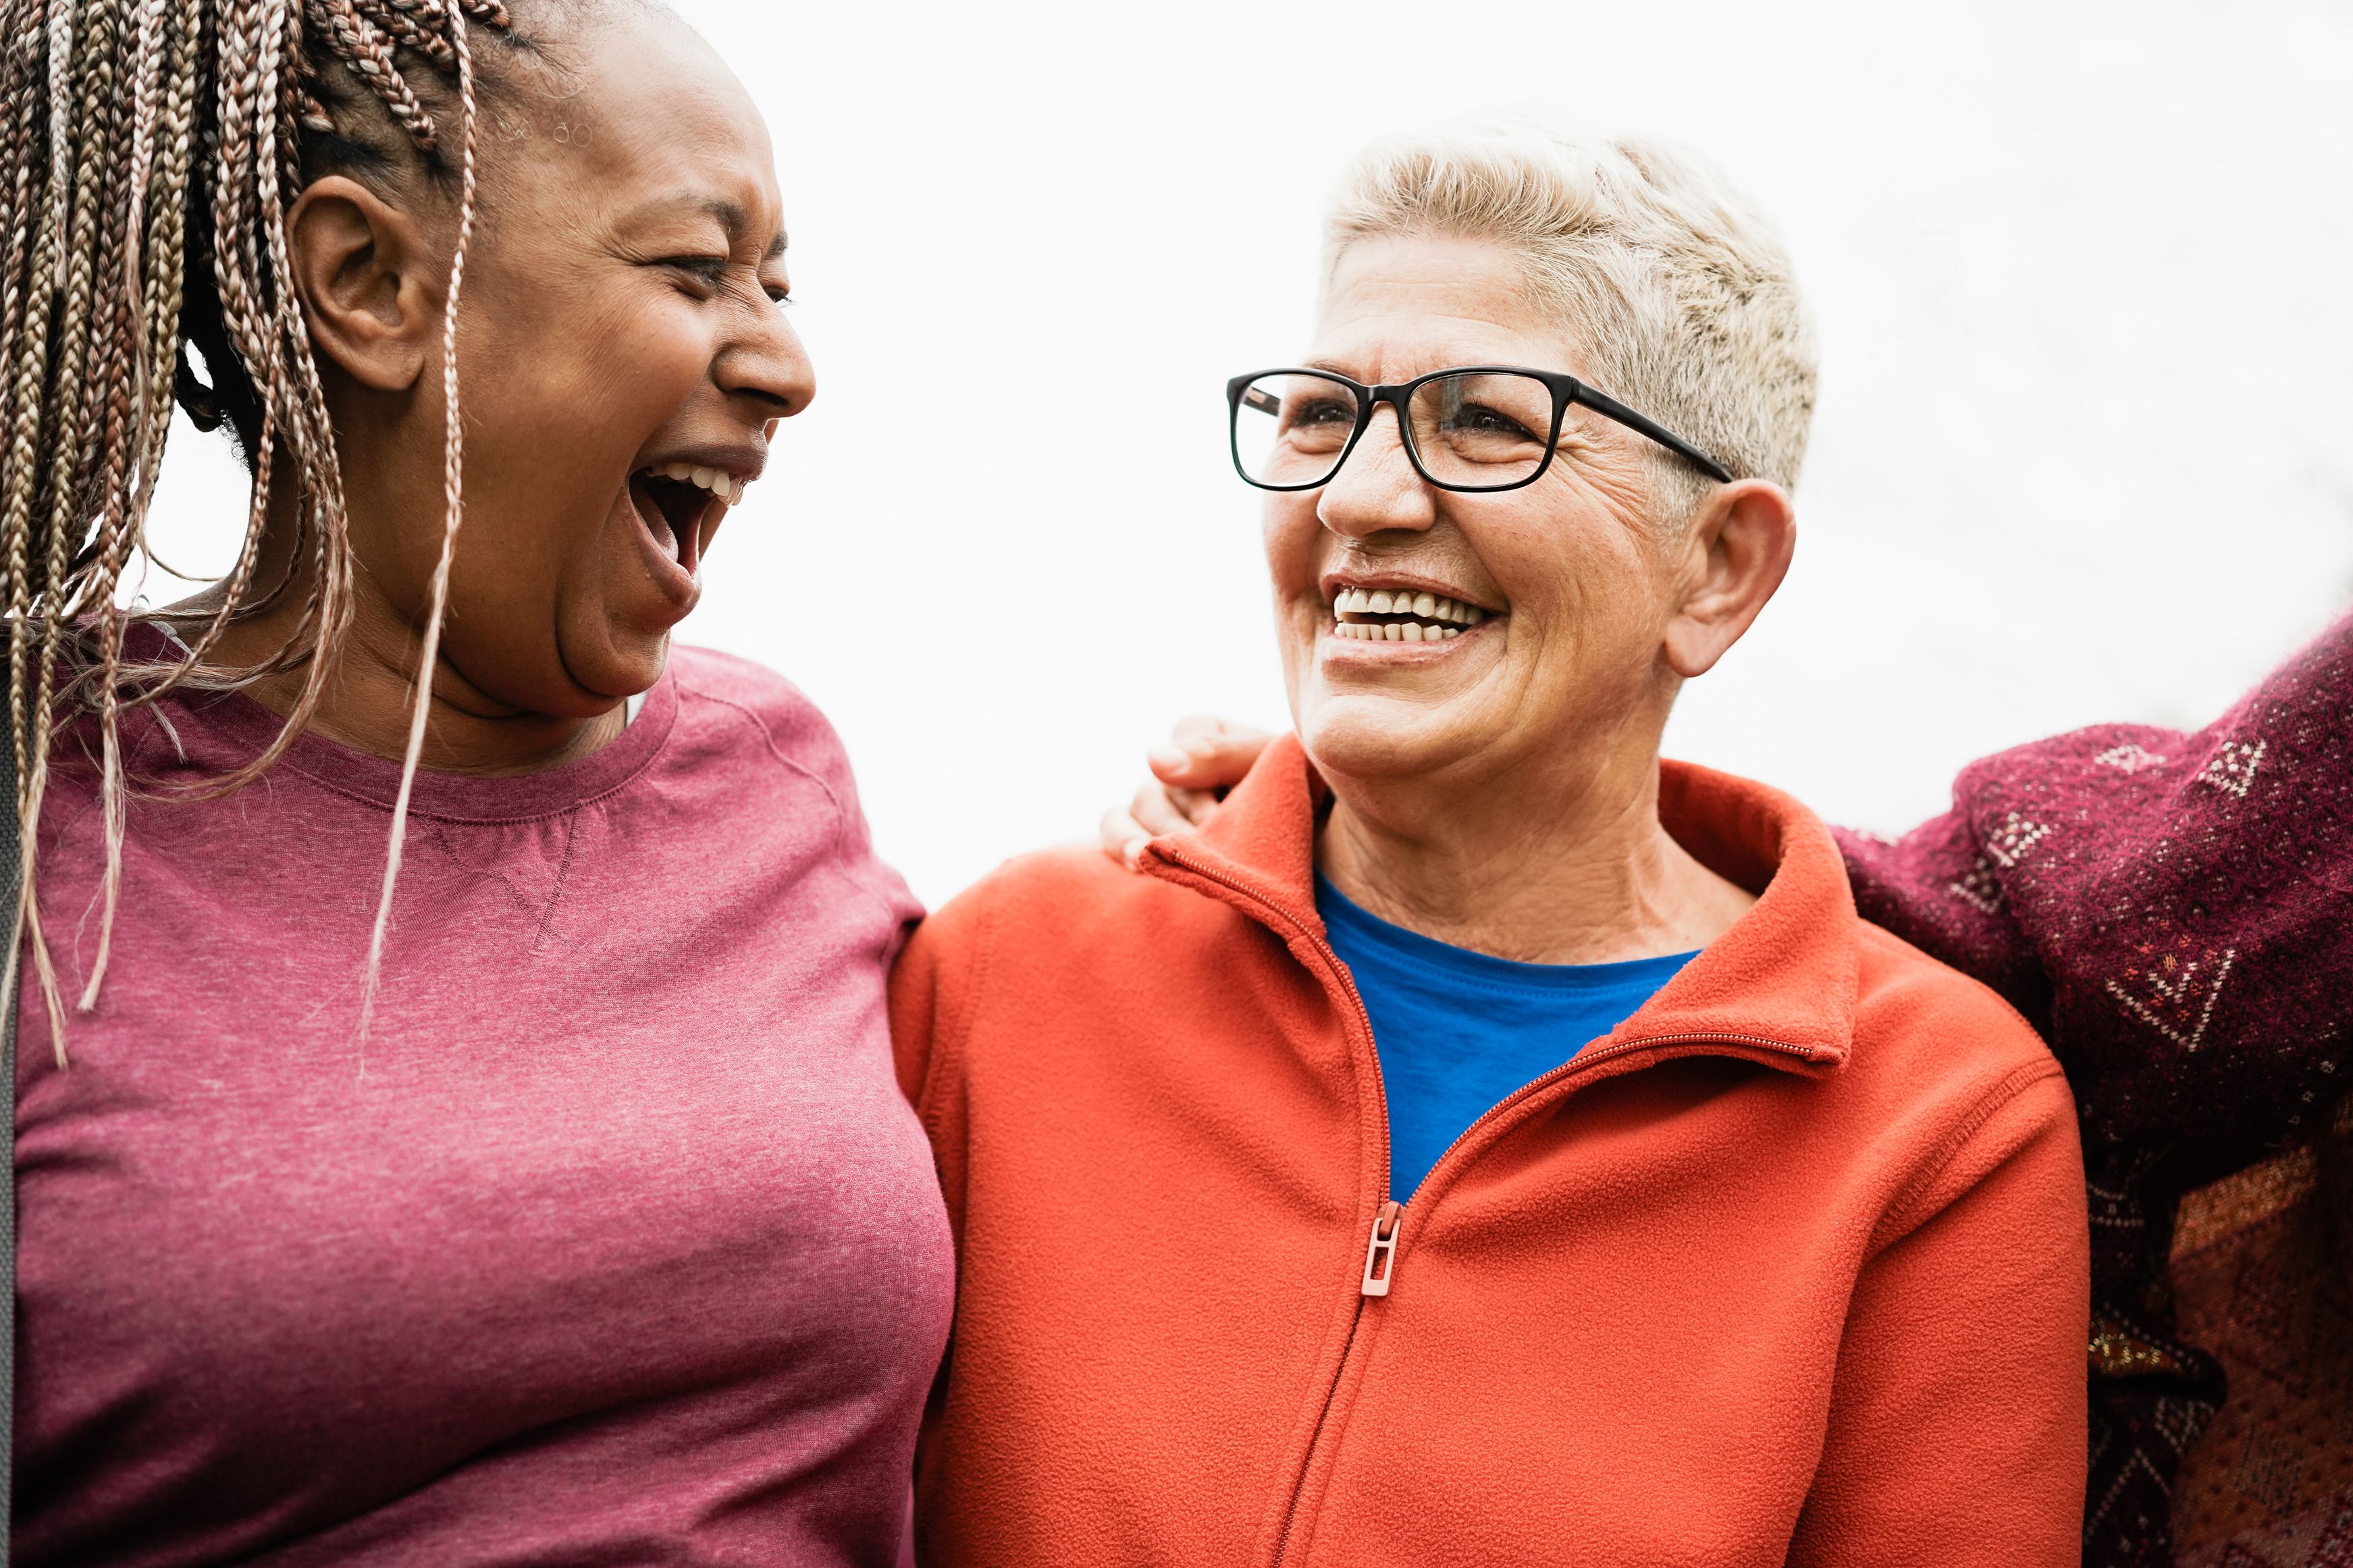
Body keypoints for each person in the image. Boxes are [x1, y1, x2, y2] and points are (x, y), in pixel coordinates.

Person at [893, 124, 2090, 1565]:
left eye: (1483, 422)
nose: (1357, 500)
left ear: (1716, 569)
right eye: (1322, 415)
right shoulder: (1007, 970)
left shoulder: (1941, 1129)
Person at [5, 1, 949, 1561]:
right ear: (369, 283)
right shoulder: (40, 821)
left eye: (777, 281)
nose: (787, 366)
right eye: (692, 268)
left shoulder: (780, 776)